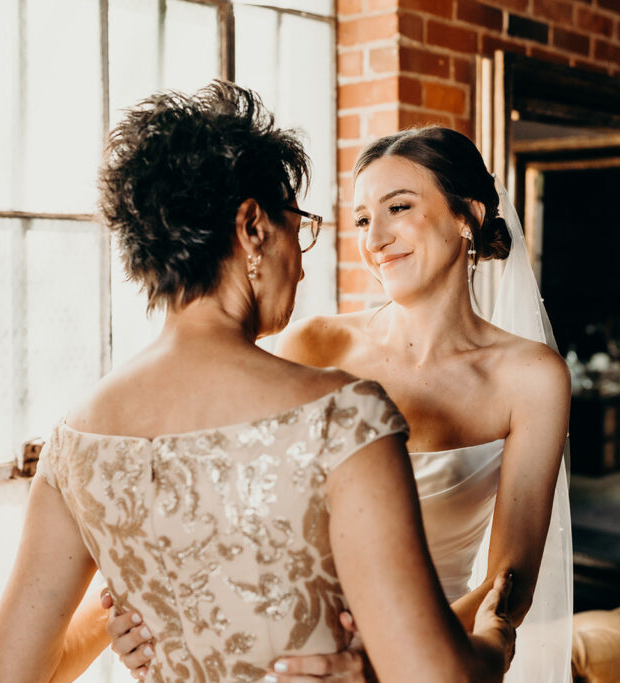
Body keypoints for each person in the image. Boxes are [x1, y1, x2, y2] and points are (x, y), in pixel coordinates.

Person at [0, 82, 515, 683]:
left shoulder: (73, 440)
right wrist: (496, 640)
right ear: (254, 227)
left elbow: (5, 674)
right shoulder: (343, 415)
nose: (303, 259)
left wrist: (129, 622)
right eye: (298, 226)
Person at [106, 127, 574, 683]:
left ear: (466, 216)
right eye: (360, 220)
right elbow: (236, 525)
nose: (375, 238)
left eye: (398, 207)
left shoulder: (533, 378)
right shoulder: (313, 345)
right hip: (295, 658)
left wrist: (391, 662)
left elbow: (507, 587)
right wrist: (149, 619)